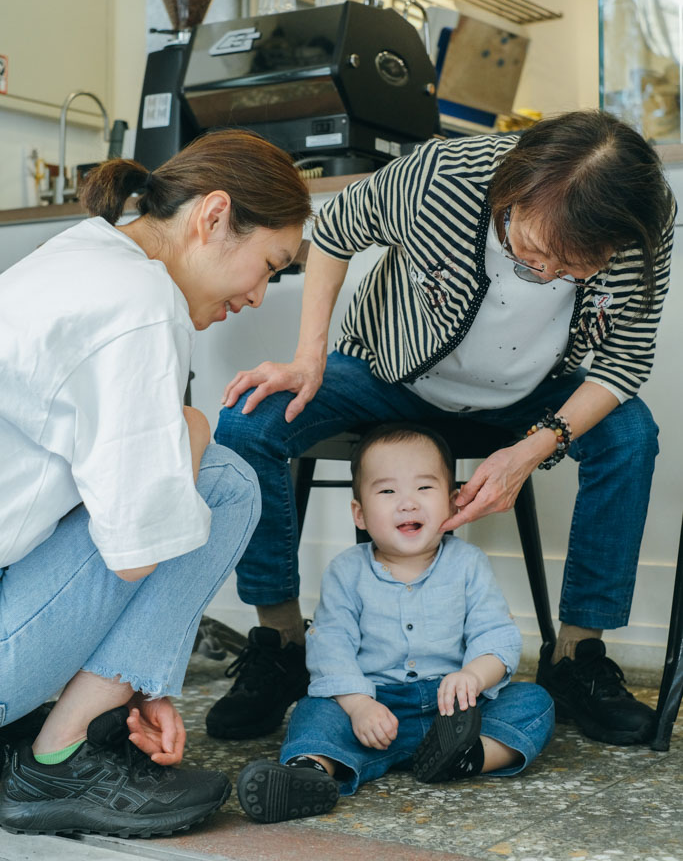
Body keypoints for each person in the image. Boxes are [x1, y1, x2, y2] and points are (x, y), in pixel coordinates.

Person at [207, 110, 675, 749]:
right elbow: (335, 230)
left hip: (528, 396)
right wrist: (308, 357)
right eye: (535, 254)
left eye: (576, 269)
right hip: (388, 370)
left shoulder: (642, 223)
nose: (549, 275)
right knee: (247, 423)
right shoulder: (442, 176)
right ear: (511, 195)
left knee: (630, 435)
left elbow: (625, 362)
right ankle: (282, 644)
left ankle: (576, 657)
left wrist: (530, 451)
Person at [0, 129, 310, 838]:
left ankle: (72, 722)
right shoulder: (137, 301)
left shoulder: (82, 255)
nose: (258, 296)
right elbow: (138, 551)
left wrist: (139, 677)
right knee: (224, 479)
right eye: (268, 266)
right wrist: (193, 426)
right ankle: (58, 756)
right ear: (213, 216)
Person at [235, 423, 554, 823]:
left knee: (533, 702)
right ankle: (310, 772)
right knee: (313, 710)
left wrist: (473, 676)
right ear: (360, 514)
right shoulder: (347, 571)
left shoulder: (467, 563)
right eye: (387, 492)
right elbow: (331, 645)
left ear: (453, 503)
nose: (408, 503)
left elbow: (495, 633)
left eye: (424, 487)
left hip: (455, 711)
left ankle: (470, 757)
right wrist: (358, 705)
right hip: (374, 707)